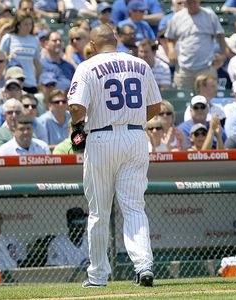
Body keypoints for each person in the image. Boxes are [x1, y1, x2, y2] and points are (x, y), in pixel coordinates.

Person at [67, 24, 162, 287]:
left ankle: (98, 276)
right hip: (135, 137)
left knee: (99, 212)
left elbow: (76, 107)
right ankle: (144, 266)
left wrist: (77, 128)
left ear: (93, 45)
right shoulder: (140, 64)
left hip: (101, 136)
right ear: (116, 40)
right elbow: (155, 106)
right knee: (134, 207)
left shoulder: (87, 66)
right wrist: (130, 121)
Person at [164, 0, 227, 91]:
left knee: (208, 97)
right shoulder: (177, 17)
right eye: (189, 2)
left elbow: (220, 35)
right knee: (183, 97)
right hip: (184, 68)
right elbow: (170, 38)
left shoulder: (209, 15)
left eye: (194, 2)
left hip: (206, 67)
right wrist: (171, 50)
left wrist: (223, 54)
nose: (192, 4)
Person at [0, 10, 42, 93]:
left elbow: (37, 63)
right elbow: (0, 58)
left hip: (30, 83)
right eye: (25, 24)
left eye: (30, 24)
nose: (28, 27)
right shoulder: (8, 38)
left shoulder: (35, 40)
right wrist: (8, 57)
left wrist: (37, 79)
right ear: (18, 25)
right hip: (13, 82)